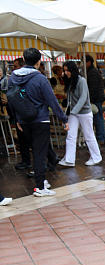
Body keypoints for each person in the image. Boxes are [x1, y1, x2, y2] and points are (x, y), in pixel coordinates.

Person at [8, 47, 68, 197]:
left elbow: (11, 100)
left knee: (35, 151)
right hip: (40, 119)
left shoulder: (13, 77)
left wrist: (17, 119)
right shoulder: (40, 78)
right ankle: (40, 187)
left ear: (24, 59)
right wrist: (63, 119)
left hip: (23, 120)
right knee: (39, 152)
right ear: (38, 61)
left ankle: (41, 181)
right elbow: (52, 101)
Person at [59, 61, 102, 167]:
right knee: (71, 135)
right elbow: (70, 100)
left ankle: (96, 157)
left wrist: (72, 112)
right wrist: (68, 113)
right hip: (74, 112)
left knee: (89, 135)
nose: (66, 72)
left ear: (73, 70)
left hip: (84, 113)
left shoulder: (81, 80)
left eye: (67, 70)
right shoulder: (69, 81)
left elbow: (83, 98)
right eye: (64, 70)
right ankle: (69, 160)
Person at [85, 55, 105, 144]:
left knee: (98, 119)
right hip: (98, 98)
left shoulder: (92, 72)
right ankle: (101, 137)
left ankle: (101, 138)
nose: (83, 64)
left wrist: (91, 100)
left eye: (84, 62)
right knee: (98, 118)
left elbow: (93, 88)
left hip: (96, 99)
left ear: (89, 62)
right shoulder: (93, 71)